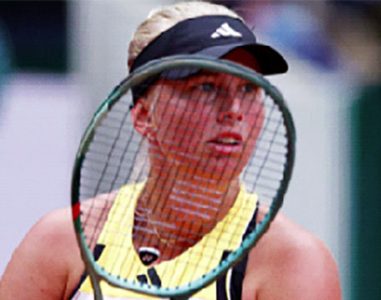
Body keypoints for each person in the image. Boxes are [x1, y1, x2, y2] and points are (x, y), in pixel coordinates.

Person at [0, 2, 341, 299]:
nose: (234, 109)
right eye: (205, 86)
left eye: (249, 89)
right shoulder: (60, 242)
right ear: (144, 115)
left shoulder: (294, 262)